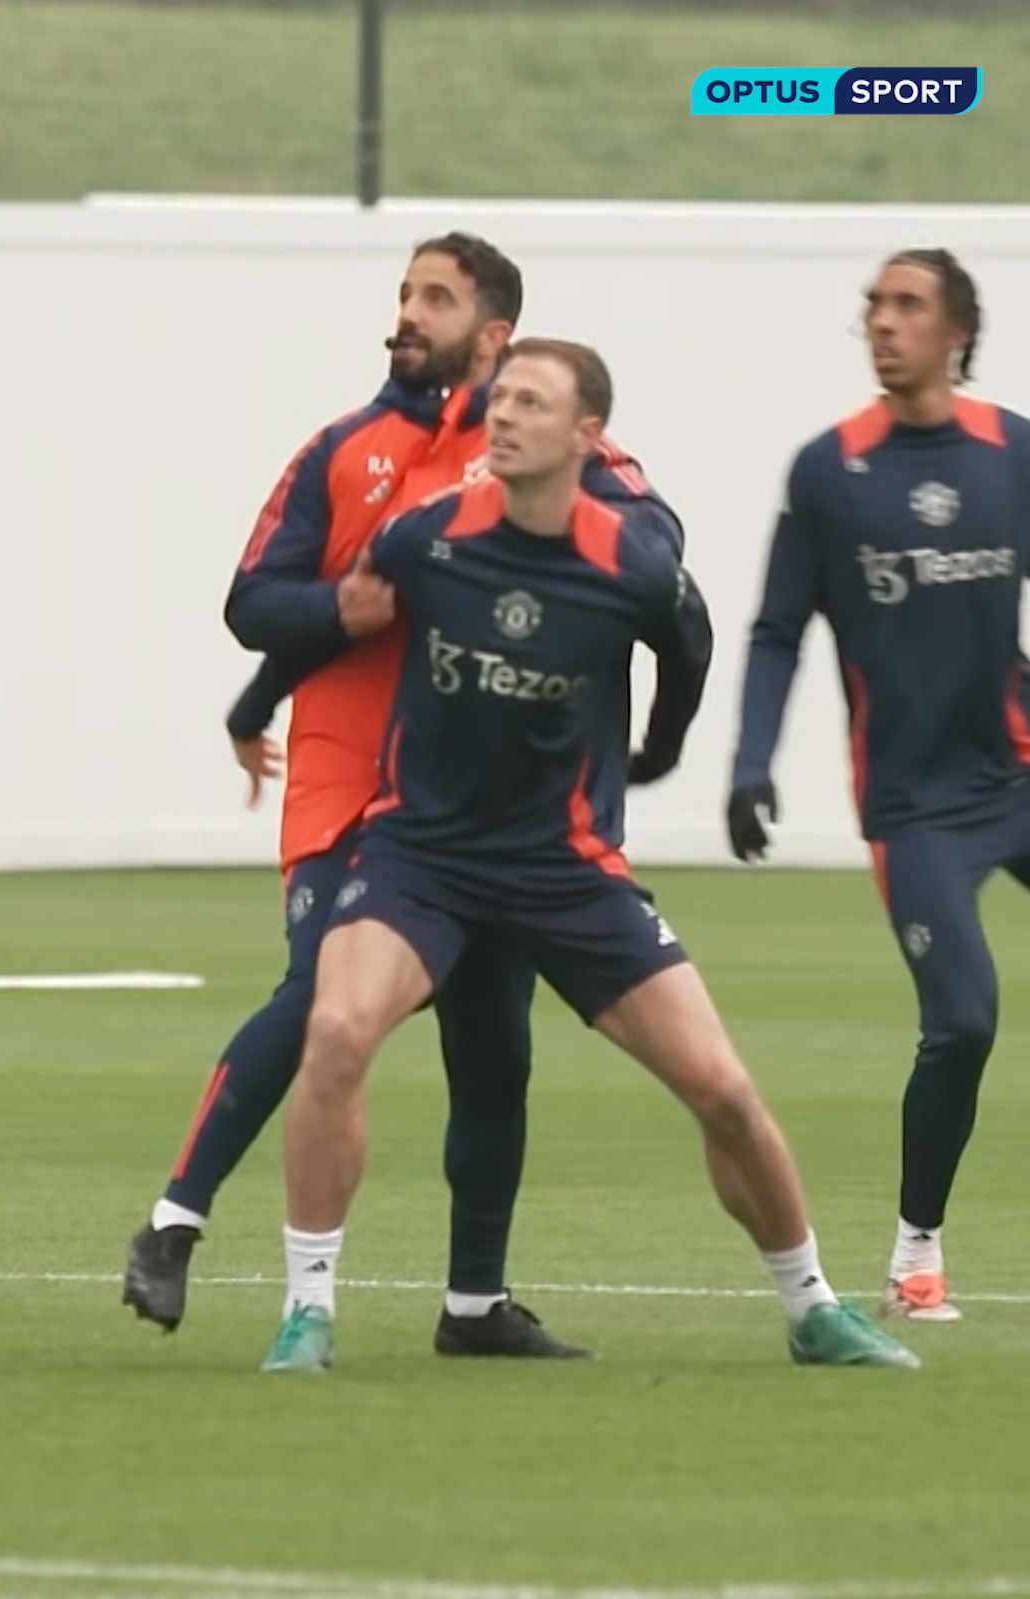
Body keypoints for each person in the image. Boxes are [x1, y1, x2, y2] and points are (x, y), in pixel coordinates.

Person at [259, 336, 919, 1375]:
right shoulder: (426, 536)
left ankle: (813, 1308)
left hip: (562, 870)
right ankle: (307, 1311)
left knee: (726, 1092)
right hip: (419, 856)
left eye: (531, 401)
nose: (504, 415)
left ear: (587, 434)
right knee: (336, 1034)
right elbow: (335, 626)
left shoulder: (631, 564)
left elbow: (689, 644)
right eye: (501, 398)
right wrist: (250, 710)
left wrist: (658, 747)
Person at [124, 233, 665, 1358]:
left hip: (475, 792)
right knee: (321, 994)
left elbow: (652, 543)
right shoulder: (343, 449)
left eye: (436, 297)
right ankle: (177, 1216)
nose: (408, 313)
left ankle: (473, 1305)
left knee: (494, 1046)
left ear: (495, 332)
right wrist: (333, 621)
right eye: (405, 293)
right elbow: (253, 601)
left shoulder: (536, 448)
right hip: (344, 773)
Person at [726, 248, 1030, 1323]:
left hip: (1018, 773)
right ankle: (915, 1253)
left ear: (958, 331)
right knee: (964, 1022)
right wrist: (751, 760)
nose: (882, 322)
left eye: (907, 306)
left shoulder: (1011, 453)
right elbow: (774, 632)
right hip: (916, 807)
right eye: (873, 306)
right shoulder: (829, 470)